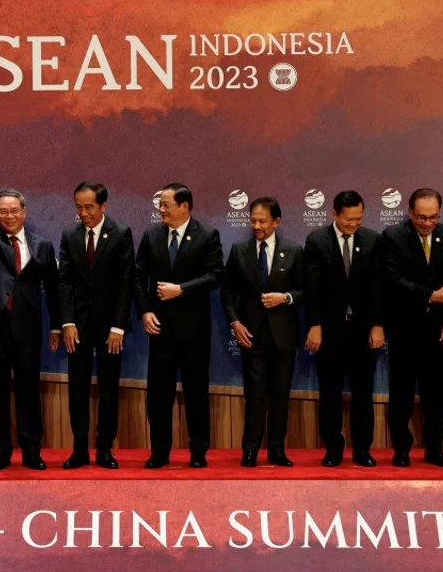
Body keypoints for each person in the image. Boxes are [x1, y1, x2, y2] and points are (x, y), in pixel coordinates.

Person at [0, 167, 60, 471]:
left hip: (28, 328)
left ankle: (32, 452)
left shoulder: (41, 244)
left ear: (24, 212)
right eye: (2, 211)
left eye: (14, 210)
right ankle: (0, 453)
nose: (9, 216)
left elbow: (54, 289)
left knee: (29, 392)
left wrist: (57, 324)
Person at [134, 183, 223, 468]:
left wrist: (181, 289)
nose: (161, 210)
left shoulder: (207, 235)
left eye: (166, 205)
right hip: (159, 329)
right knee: (159, 395)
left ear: (184, 206)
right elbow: (137, 277)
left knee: (196, 392)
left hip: (194, 331)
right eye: (160, 205)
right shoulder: (151, 234)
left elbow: (215, 275)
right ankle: (159, 452)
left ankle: (198, 453)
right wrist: (145, 312)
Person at [381, 188, 443, 467]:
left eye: (433, 217)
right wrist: (430, 295)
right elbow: (393, 281)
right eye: (421, 217)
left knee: (436, 394)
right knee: (401, 393)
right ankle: (401, 450)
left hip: (437, 330)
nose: (427, 223)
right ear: (409, 212)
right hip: (403, 328)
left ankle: (435, 450)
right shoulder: (393, 237)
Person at [221, 197, 304, 467]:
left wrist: (286, 297)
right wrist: (235, 322)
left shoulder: (293, 250)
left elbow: (306, 291)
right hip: (251, 335)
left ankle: (277, 450)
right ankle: (250, 450)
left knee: (280, 394)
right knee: (254, 395)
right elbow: (227, 292)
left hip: (283, 336)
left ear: (276, 222)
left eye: (262, 221)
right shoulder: (239, 249)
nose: (256, 225)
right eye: (253, 220)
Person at [304, 190, 384, 467]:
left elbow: (377, 287)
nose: (354, 224)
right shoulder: (317, 241)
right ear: (335, 214)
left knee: (363, 393)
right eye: (349, 219)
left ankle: (362, 449)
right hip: (330, 330)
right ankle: (333, 449)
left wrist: (377, 325)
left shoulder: (373, 240)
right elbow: (312, 289)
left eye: (358, 218)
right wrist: (315, 326)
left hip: (363, 331)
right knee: (330, 392)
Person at [58, 182, 134, 469]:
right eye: (78, 207)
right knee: (77, 387)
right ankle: (79, 450)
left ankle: (104, 450)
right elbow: (64, 281)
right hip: (77, 325)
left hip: (109, 328)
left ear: (103, 206)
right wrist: (67, 321)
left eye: (89, 207)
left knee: (108, 388)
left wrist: (118, 327)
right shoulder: (69, 234)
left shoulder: (121, 234)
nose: (83, 213)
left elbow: (126, 283)